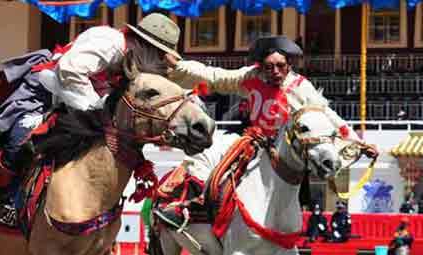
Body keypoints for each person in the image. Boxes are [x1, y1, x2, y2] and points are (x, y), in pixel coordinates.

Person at [0, 13, 182, 240]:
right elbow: (69, 71)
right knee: (21, 142)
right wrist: (97, 109)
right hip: (44, 94)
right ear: (147, 46)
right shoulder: (109, 43)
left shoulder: (137, 60)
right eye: (162, 56)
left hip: (77, 107)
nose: (162, 63)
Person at [155, 35, 377, 226]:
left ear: (289, 64)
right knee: (206, 152)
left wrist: (358, 142)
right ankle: (188, 206)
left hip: (284, 151)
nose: (275, 71)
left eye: (281, 66)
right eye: (269, 67)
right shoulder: (250, 77)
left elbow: (328, 115)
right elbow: (215, 76)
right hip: (253, 143)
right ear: (261, 66)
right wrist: (180, 66)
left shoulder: (300, 86)